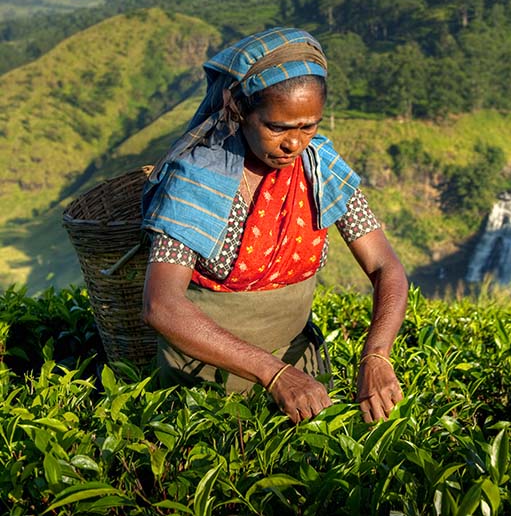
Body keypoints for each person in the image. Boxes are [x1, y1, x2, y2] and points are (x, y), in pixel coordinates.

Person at [141, 27, 408, 423]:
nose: (293, 144)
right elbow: (161, 305)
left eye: (308, 126)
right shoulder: (199, 178)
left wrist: (376, 355)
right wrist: (272, 372)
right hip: (202, 388)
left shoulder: (319, 166)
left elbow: (386, 268)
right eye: (277, 127)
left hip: (302, 379)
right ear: (239, 108)